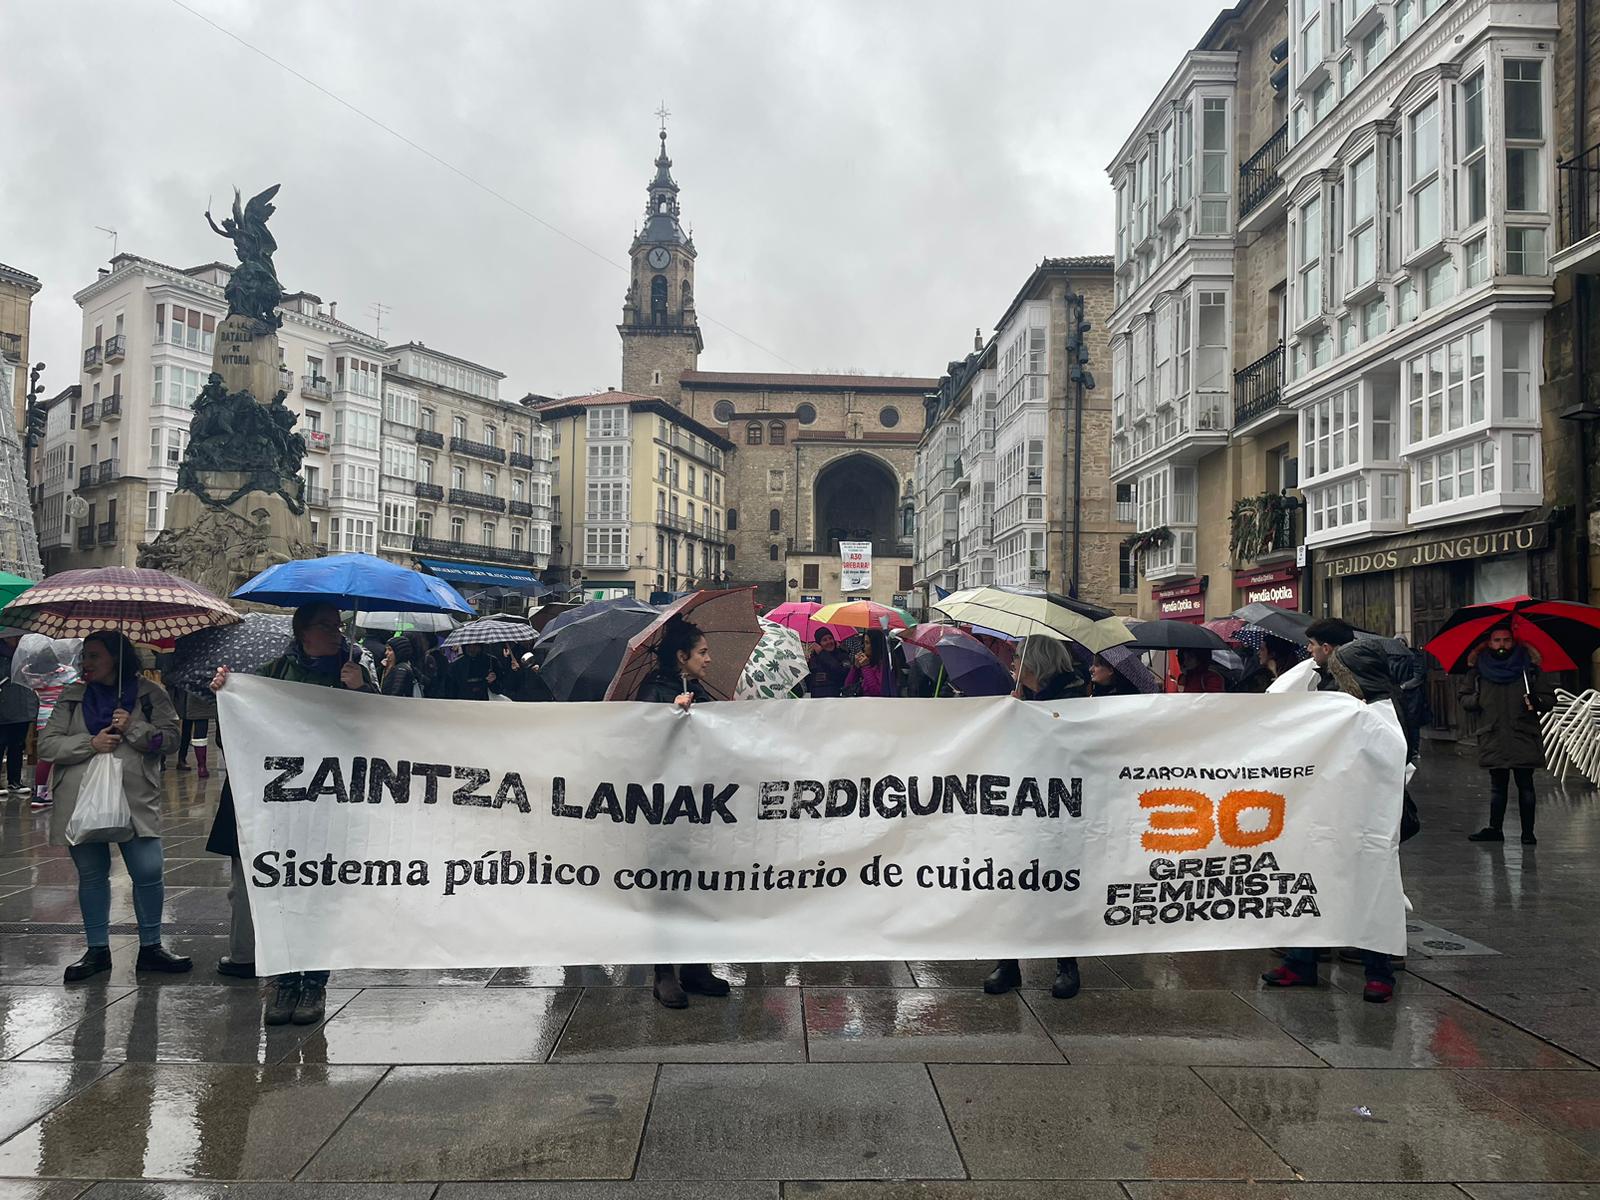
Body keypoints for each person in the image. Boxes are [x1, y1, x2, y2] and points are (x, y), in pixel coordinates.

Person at [209, 601, 377, 1025]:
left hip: (330, 804)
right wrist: (227, 696)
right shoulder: (271, 675)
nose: (336, 633)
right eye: (325, 626)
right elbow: (235, 740)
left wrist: (362, 691)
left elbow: (381, 733)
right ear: (302, 632)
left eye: (338, 626)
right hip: (280, 809)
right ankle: (283, 982)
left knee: (319, 892)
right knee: (281, 893)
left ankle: (314, 983)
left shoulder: (354, 672)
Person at [1262, 616, 1400, 1003]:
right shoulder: (1341, 703)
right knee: (1313, 884)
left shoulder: (1381, 714)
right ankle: (1302, 961)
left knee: (1370, 889)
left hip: (1366, 819)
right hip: (1326, 812)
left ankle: (1379, 971)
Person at [39, 630, 187, 983]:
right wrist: (90, 743)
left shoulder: (150, 694)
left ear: (116, 658)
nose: (85, 663)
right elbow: (47, 745)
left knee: (148, 871)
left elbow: (169, 740)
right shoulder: (73, 696)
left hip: (135, 798)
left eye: (94, 656)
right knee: (92, 874)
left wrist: (134, 726)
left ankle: (151, 947)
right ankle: (96, 949)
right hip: (81, 798)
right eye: (84, 656)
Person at [634, 617, 732, 1010]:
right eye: (702, 652)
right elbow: (638, 744)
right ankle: (663, 975)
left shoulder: (700, 690)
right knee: (667, 891)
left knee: (698, 888)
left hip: (700, 808)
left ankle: (696, 967)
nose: (709, 659)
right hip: (665, 812)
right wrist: (668, 715)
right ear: (681, 656)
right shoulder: (654, 693)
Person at [985, 632, 1084, 1000]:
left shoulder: (1073, 697)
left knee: (1059, 885)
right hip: (1023, 802)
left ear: (1036, 664)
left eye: (1018, 658)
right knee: (1011, 882)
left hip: (1060, 806)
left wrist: (1028, 714)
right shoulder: (1023, 699)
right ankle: (1008, 965)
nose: (1013, 664)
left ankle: (1067, 964)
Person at [1462, 624, 1545, 845]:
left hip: (1523, 735)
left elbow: (1548, 699)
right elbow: (1464, 698)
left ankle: (1528, 833)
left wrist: (1536, 701)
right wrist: (1477, 699)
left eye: (1506, 640)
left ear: (1514, 641)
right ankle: (1495, 829)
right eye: (1497, 640)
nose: (1502, 645)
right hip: (1494, 735)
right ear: (1489, 643)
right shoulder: (1478, 670)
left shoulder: (1529, 669)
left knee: (1525, 785)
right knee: (1497, 787)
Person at [0, 635, 38, 797]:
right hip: (3, 703)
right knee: (1, 744)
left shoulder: (26, 652)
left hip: (23, 704)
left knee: (18, 745)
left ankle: (14, 781)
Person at [1012, 634, 1087, 701]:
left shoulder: (1068, 700)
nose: (1012, 662)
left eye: (1016, 656)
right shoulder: (1041, 694)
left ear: (1032, 662)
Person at [176, 685, 218, 778]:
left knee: (193, 730)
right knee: (200, 730)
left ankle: (198, 765)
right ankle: (200, 766)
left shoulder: (189, 674)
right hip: (207, 697)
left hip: (192, 697)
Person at [843, 629, 898, 697]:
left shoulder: (884, 665)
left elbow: (876, 691)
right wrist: (855, 668)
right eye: (863, 642)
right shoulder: (868, 660)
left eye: (867, 643)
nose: (863, 646)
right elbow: (848, 686)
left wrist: (866, 667)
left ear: (875, 645)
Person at [806, 629, 850, 698]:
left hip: (836, 698)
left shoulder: (842, 655)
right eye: (824, 640)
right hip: (817, 700)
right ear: (819, 643)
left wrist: (822, 654)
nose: (829, 642)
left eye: (830, 638)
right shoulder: (814, 658)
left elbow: (841, 673)